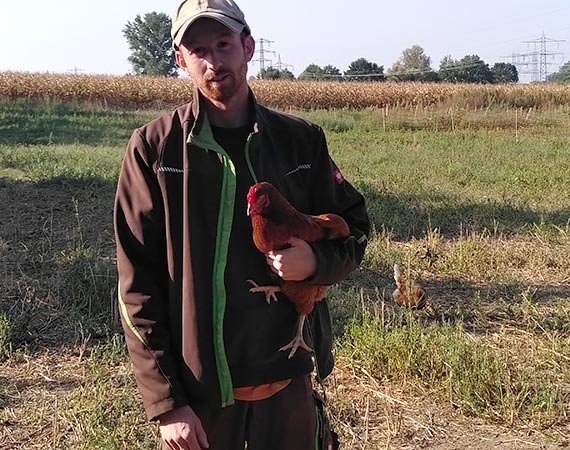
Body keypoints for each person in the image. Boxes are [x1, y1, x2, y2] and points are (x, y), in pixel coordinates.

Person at [113, 0, 370, 449]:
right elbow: (137, 285)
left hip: (287, 379)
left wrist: (316, 262)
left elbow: (356, 229)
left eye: (224, 44)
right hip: (201, 388)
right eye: (197, 49)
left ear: (248, 47)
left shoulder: (300, 141)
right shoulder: (154, 150)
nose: (214, 61)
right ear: (180, 60)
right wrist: (167, 402)